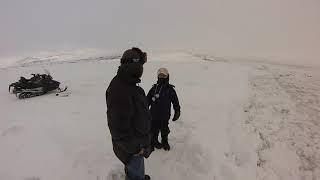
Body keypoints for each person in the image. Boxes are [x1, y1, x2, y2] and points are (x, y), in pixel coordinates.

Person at [106, 47, 152, 180]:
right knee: (135, 172)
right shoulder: (121, 90)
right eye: (141, 64)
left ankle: (136, 175)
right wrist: (137, 148)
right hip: (133, 148)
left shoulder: (126, 84)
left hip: (134, 144)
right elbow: (118, 129)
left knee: (135, 170)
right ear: (136, 65)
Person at [147, 68, 181, 151]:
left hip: (165, 115)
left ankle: (164, 142)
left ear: (167, 76)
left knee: (164, 129)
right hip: (153, 114)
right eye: (160, 75)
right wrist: (143, 111)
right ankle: (152, 142)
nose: (162, 77)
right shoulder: (154, 88)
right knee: (153, 129)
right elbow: (147, 101)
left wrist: (177, 111)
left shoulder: (170, 89)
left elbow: (175, 102)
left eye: (163, 75)